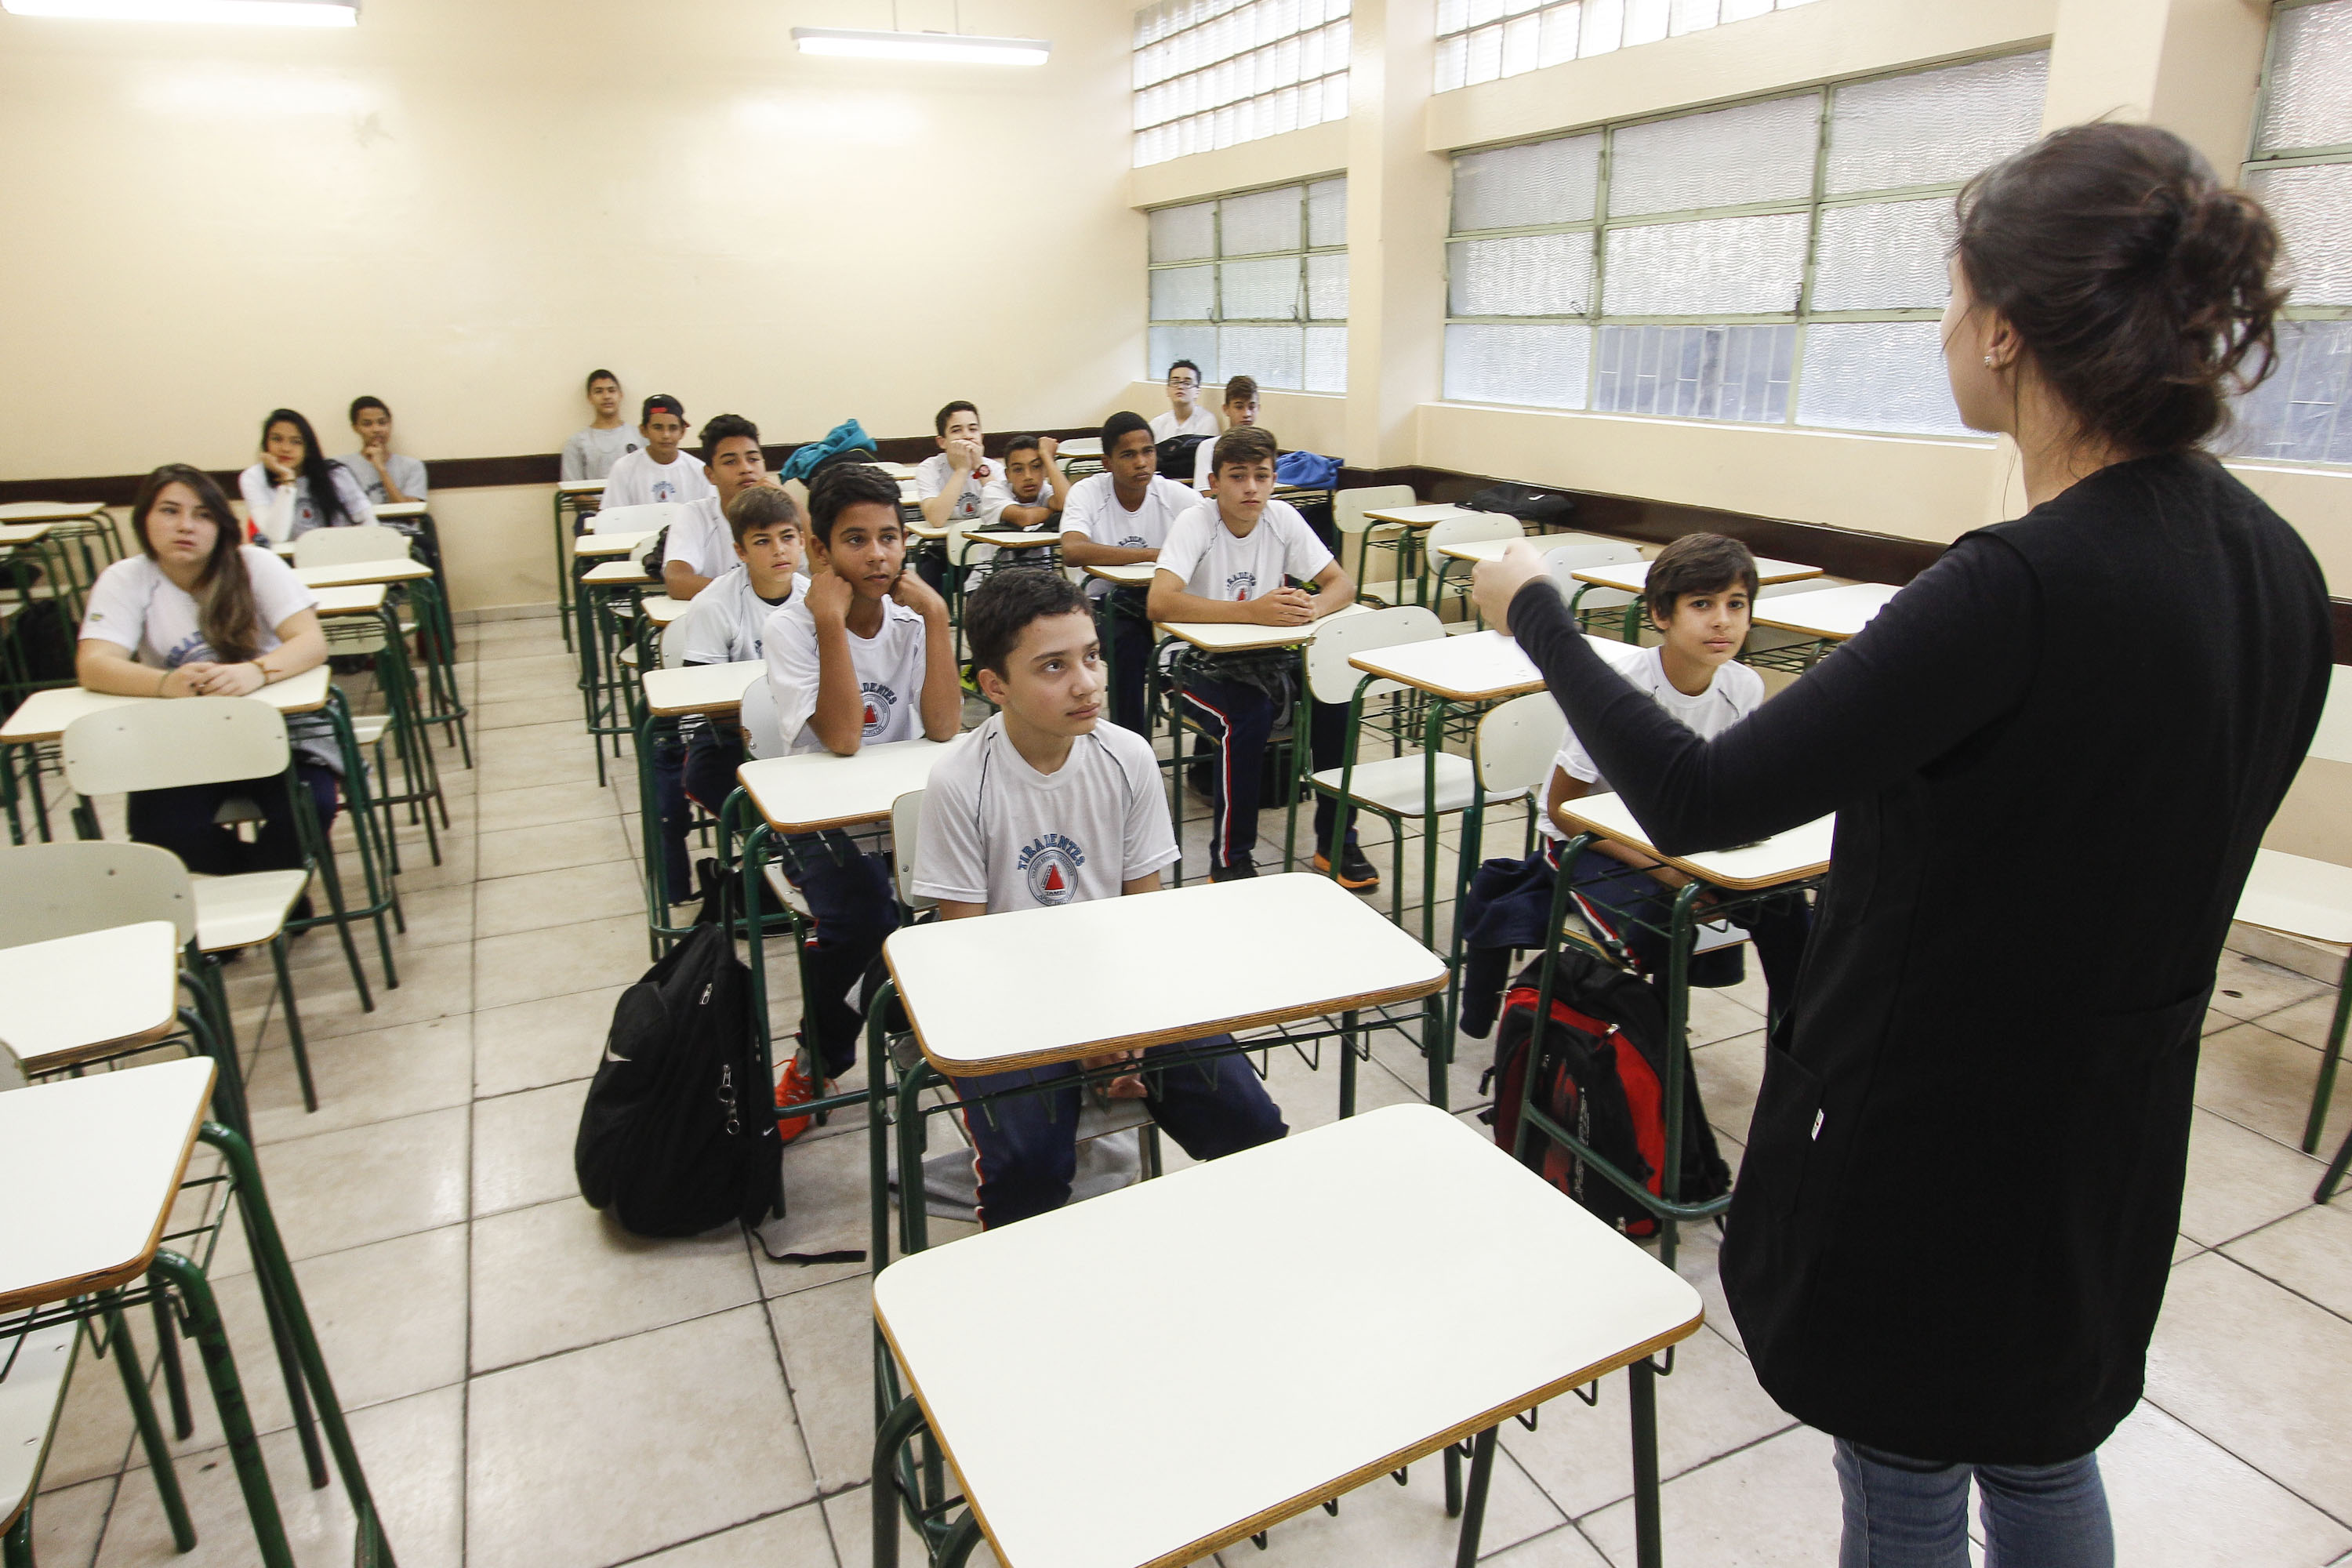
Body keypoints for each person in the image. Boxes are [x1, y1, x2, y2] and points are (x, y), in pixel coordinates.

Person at [1470, 122, 2328, 1568]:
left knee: (1911, 1466)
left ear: (2003, 329)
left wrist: (1538, 608)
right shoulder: (2272, 564)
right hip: (2110, 1127)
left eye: (1946, 294)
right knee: (2047, 1456)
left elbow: (1697, 797)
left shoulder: (2017, 587)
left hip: (1945, 1133)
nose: (1938, 326)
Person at [912, 569, 1287, 1226]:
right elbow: (964, 957)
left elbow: (1143, 920)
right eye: (1053, 667)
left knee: (1250, 1124)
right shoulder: (959, 782)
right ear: (994, 685)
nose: (1086, 682)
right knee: (1029, 1168)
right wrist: (1080, 1036)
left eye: (1091, 656)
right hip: (1007, 1009)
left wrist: (1126, 1032)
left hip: (1119, 986)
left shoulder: (1127, 757)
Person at [1455, 533, 1807, 1037]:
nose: (1723, 621)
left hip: (1680, 839)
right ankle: (1653, 1046)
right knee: (1664, 921)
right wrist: (1666, 870)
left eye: (1737, 604)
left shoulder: (1743, 686)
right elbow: (1562, 810)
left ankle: (1800, 1041)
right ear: (1661, 615)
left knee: (1785, 904)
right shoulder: (1619, 687)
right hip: (1590, 843)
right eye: (1702, 604)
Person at [760, 463, 960, 1099]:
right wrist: (828, 623)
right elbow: (844, 738)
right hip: (819, 819)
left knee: (972, 889)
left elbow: (943, 725)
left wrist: (936, 620)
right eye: (855, 540)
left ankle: (924, 1021)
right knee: (865, 914)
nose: (877, 555)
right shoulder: (791, 626)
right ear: (819, 550)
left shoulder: (909, 618)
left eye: (890, 537)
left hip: (901, 809)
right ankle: (815, 1060)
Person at [77, 464, 338, 877]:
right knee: (159, 828)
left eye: (203, 515)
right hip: (185, 739)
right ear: (144, 519)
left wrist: (257, 672)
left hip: (279, 731)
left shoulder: (255, 565)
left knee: (312, 806)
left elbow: (311, 642)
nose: (186, 526)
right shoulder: (125, 579)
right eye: (169, 511)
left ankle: (271, 899)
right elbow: (93, 665)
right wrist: (166, 683)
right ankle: (266, 891)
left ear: (220, 526)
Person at [1146, 425, 1374, 889]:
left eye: (1261, 475)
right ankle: (1231, 857)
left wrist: (1313, 605)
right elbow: (1160, 602)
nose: (1251, 487)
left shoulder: (1283, 517)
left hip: (1264, 659)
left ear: (1274, 479)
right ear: (1213, 483)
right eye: (1237, 476)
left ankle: (1336, 843)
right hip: (1191, 664)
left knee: (1336, 700)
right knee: (1244, 718)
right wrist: (1249, 612)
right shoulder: (1197, 522)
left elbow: (1342, 585)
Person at [656, 486, 808, 902]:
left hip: (797, 728)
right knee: (735, 785)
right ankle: (775, 861)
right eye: (762, 541)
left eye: (788, 537)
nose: (779, 550)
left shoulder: (816, 597)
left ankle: (798, 860)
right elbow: (704, 700)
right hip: (725, 736)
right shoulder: (714, 604)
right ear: (740, 551)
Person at [1059, 410, 1198, 731]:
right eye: (1128, 455)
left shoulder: (1171, 494)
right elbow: (1072, 550)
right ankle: (1131, 743)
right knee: (1129, 645)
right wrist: (1151, 554)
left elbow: (1215, 521)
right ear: (1107, 463)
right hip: (1102, 605)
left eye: (1148, 451)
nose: (1141, 462)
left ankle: (1202, 731)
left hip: (1161, 601)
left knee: (1202, 648)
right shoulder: (1088, 492)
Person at [661, 412, 770, 601]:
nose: (746, 468)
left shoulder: (785, 512)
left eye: (753, 459)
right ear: (710, 474)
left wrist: (797, 508)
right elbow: (676, 580)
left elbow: (817, 576)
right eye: (730, 462)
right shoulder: (695, 514)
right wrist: (750, 595)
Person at [239, 408, 376, 543]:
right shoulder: (253, 478)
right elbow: (276, 536)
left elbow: (368, 521)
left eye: (296, 441)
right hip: (287, 561)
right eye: (277, 439)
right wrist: (287, 480)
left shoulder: (335, 473)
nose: (286, 448)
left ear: (308, 448)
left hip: (340, 553)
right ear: (266, 443)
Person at [601, 394, 713, 510]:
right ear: (643, 430)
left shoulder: (699, 470)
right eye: (658, 428)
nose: (666, 435)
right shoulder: (623, 469)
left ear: (682, 432)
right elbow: (614, 517)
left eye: (673, 428)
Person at [913, 400, 994, 531]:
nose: (967, 436)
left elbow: (1005, 509)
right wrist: (962, 469)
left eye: (973, 429)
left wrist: (979, 465)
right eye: (957, 430)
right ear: (942, 442)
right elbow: (937, 520)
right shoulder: (928, 469)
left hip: (989, 539)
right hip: (942, 545)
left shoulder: (993, 467)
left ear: (981, 436)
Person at [336, 396, 427, 508]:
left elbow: (410, 514)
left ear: (390, 424)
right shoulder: (341, 467)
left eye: (382, 422)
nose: (376, 429)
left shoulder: (412, 466)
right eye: (367, 424)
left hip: (400, 525)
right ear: (355, 428)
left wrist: (381, 469)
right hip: (363, 525)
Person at [561, 369, 641, 483]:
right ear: (590, 398)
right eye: (599, 392)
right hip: (595, 501)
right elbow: (575, 492)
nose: (606, 396)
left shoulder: (640, 436)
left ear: (620, 395)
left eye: (611, 391)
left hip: (635, 501)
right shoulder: (576, 443)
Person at [1194, 374, 1260, 491]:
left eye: (1251, 407)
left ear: (1258, 408)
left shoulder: (1263, 447)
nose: (1247, 414)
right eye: (1239, 407)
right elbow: (1204, 492)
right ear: (1226, 409)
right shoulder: (1209, 447)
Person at [1149, 359, 1220, 442]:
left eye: (1187, 383)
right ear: (1167, 390)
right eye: (1175, 382)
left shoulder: (1207, 421)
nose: (1180, 387)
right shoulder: (1157, 424)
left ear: (1197, 391)